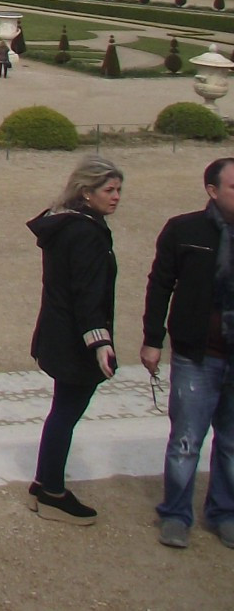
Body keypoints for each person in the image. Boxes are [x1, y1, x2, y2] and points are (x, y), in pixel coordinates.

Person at [140, 156, 234, 549]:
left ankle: (224, 513)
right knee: (185, 441)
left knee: (231, 443)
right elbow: (160, 284)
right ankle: (176, 514)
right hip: (197, 356)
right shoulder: (184, 230)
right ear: (212, 191)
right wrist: (152, 339)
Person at [27, 156, 124, 523]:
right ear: (87, 192)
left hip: (58, 332)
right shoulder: (86, 233)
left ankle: (44, 481)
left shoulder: (64, 224)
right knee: (66, 414)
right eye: (108, 190)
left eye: (117, 190)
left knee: (61, 412)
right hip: (75, 340)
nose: (115, 197)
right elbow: (87, 293)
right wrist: (100, 343)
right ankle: (52, 491)